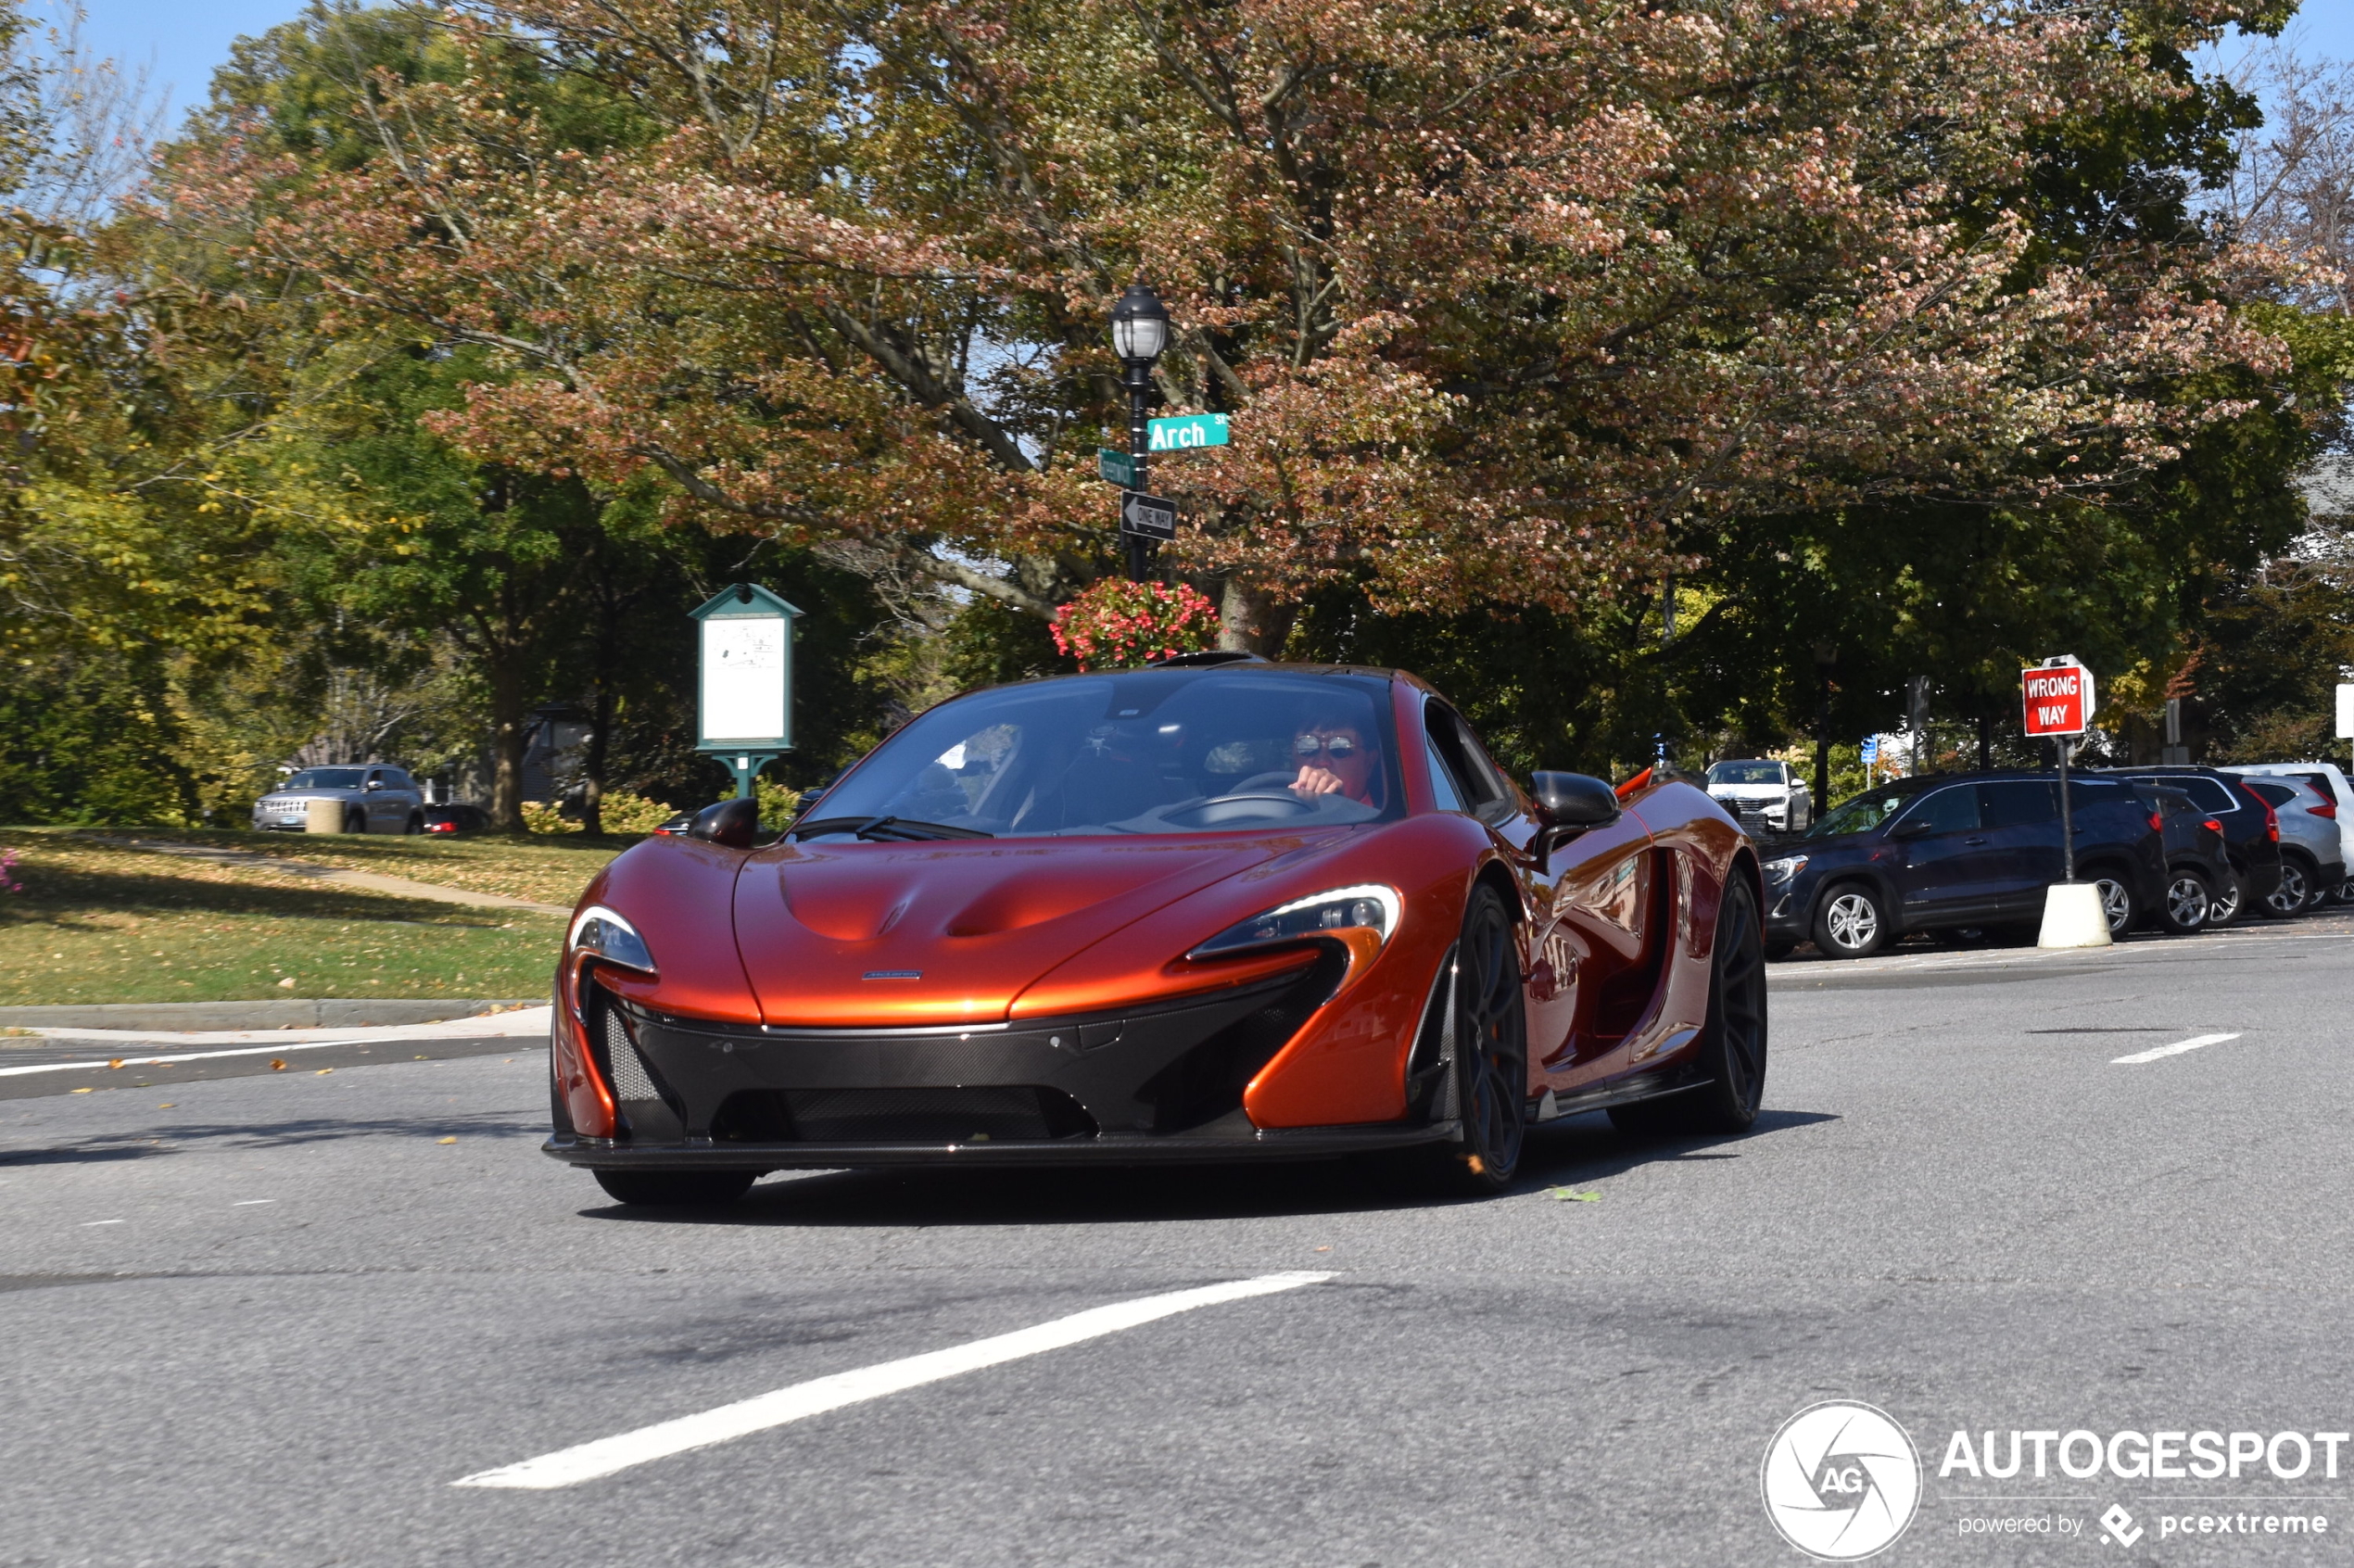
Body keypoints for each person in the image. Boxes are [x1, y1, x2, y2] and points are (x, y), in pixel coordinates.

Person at [1290, 721, 1382, 807]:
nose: (1322, 762)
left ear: (1369, 762)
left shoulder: (1385, 821)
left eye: (1339, 749)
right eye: (1307, 747)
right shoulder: (1279, 813)